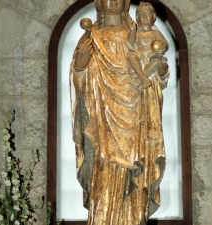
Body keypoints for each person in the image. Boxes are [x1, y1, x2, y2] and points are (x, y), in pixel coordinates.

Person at [70, 0, 168, 224]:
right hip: (101, 119)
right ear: (99, 2)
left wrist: (159, 71)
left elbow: (157, 77)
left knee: (134, 173)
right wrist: (79, 67)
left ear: (125, 3)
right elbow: (78, 81)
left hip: (135, 118)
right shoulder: (91, 36)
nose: (112, 2)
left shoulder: (136, 34)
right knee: (102, 176)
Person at [127, 2, 169, 89]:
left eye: (148, 13)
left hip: (152, 56)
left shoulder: (155, 33)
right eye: (141, 14)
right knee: (131, 57)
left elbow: (165, 44)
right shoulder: (136, 33)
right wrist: (131, 31)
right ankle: (142, 77)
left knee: (156, 61)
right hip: (139, 56)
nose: (145, 17)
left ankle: (140, 80)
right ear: (137, 18)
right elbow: (130, 43)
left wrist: (162, 47)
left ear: (153, 17)